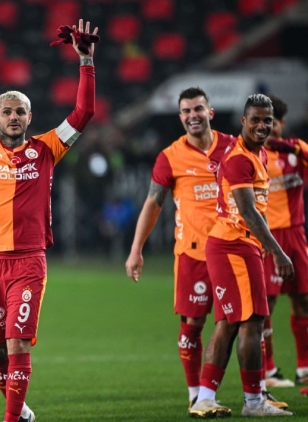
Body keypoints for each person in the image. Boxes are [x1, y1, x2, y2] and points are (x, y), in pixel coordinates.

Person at [0, 17, 97, 422]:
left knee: (17, 342)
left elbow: (84, 111)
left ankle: (11, 419)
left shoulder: (47, 149)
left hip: (28, 261)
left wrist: (86, 62)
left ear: (30, 118)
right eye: (7, 112)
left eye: (21, 112)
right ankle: (23, 411)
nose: (14, 117)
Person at [125, 87, 236, 407]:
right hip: (192, 254)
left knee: (239, 322)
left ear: (210, 112)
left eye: (198, 109)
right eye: (186, 111)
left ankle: (250, 391)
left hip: (232, 251)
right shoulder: (170, 157)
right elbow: (153, 203)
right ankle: (195, 393)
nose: (192, 115)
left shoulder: (233, 148)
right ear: (180, 117)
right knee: (193, 324)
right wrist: (136, 249)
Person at [188, 94, 294, 418]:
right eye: (256, 119)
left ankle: (206, 398)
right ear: (243, 121)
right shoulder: (239, 159)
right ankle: (253, 402)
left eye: (267, 120)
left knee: (230, 324)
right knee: (252, 322)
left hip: (236, 246)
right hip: (234, 246)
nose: (262, 125)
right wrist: (277, 252)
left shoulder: (256, 153)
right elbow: (248, 211)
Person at [260, 95, 308, 388]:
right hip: (269, 236)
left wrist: (292, 147)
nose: (268, 129)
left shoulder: (297, 151)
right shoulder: (253, 155)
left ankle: (304, 367)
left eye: (273, 123)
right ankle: (268, 370)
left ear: (282, 124)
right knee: (267, 303)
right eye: (263, 123)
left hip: (296, 234)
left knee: (302, 299)